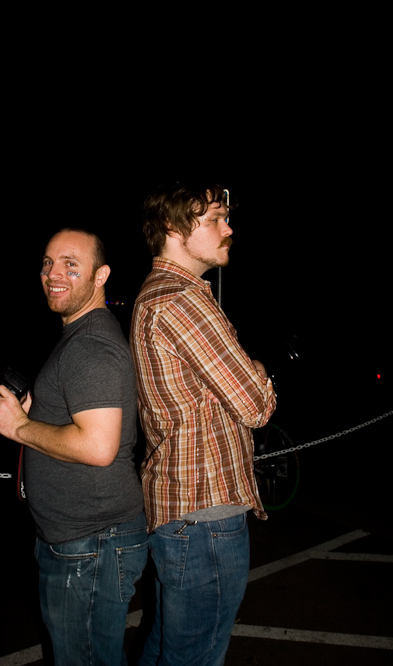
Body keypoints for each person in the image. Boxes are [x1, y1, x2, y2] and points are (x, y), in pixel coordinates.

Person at [0, 227, 147, 666]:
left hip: (90, 545)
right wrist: (36, 414)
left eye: (72, 265)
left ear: (100, 275)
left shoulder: (90, 345)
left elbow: (98, 446)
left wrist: (19, 427)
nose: (54, 274)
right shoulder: (81, 334)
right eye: (48, 263)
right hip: (85, 541)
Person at [130, 182, 277, 665]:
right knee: (195, 656)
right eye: (214, 218)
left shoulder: (156, 295)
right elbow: (255, 405)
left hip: (183, 514)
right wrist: (259, 370)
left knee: (167, 647)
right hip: (205, 516)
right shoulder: (181, 300)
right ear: (172, 228)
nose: (228, 229)